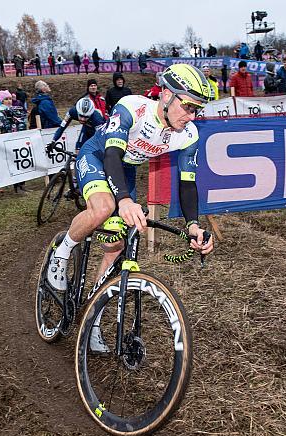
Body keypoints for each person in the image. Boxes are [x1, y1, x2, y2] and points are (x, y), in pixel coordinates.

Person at [44, 64, 215, 351]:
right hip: (99, 157)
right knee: (104, 207)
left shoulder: (189, 134)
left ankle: (92, 321)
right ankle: (60, 256)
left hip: (126, 172)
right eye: (187, 106)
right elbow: (112, 153)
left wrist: (194, 226)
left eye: (197, 110)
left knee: (118, 246)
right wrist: (123, 200)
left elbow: (187, 184)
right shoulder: (132, 107)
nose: (191, 116)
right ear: (166, 96)